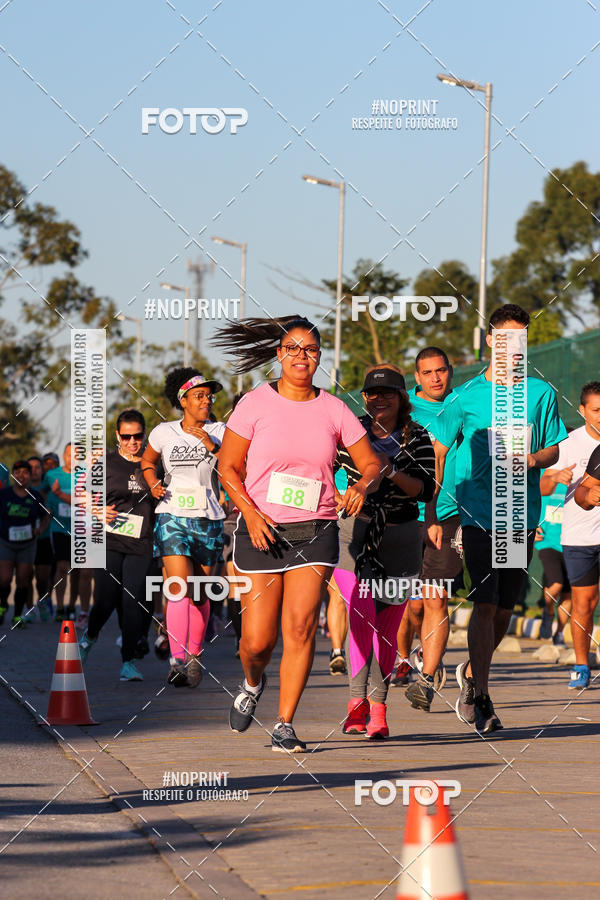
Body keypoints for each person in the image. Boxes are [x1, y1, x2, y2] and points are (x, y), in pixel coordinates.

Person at [213, 315, 381, 753]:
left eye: (309, 349)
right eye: (292, 349)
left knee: (302, 626)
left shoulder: (333, 408)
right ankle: (253, 683)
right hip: (260, 529)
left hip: (316, 528)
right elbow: (227, 467)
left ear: (320, 356)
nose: (301, 357)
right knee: (256, 640)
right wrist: (249, 514)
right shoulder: (254, 404)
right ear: (278, 355)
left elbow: (371, 463)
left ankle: (285, 724)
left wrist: (362, 485)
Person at [435, 304, 567, 732]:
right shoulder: (465, 397)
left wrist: (532, 458)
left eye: (521, 342)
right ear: (490, 341)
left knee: (506, 610)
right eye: (505, 340)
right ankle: (484, 701)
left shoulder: (540, 394)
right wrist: (434, 511)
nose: (513, 350)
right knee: (485, 601)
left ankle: (473, 675)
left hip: (519, 516)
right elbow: (438, 451)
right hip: (477, 515)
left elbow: (554, 448)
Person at [334, 364, 435, 738]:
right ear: (363, 398)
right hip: (353, 534)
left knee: (388, 627)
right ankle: (355, 706)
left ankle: (379, 708)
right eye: (372, 394)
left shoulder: (417, 437)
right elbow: (323, 473)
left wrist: (389, 471)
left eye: (388, 393)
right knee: (360, 615)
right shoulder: (349, 433)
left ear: (401, 398)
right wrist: (337, 494)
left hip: (402, 536)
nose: (379, 400)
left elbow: (423, 491)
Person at [141, 368, 226, 688]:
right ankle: (177, 659)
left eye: (209, 396)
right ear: (184, 400)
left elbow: (237, 465)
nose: (206, 401)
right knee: (177, 585)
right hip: (172, 514)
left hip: (209, 517)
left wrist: (214, 446)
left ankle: (194, 653)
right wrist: (152, 483)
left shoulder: (221, 428)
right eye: (200, 396)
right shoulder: (164, 432)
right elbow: (148, 462)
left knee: (200, 592)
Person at [393, 347, 462, 710]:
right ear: (416, 377)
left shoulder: (461, 408)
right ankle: (403, 655)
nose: (436, 378)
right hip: (403, 517)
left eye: (441, 371)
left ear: (450, 371)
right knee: (410, 604)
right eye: (427, 372)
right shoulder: (403, 412)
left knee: (436, 597)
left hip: (447, 516)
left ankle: (426, 679)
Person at [78, 409, 156, 681]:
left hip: (142, 541)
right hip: (109, 539)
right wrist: (97, 510)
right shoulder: (106, 464)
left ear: (144, 435)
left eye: (137, 436)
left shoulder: (152, 463)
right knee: (106, 600)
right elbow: (83, 496)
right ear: (117, 436)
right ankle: (89, 636)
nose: (132, 442)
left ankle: (128, 662)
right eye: (126, 437)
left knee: (132, 599)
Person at [543, 382, 600, 689]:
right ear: (582, 411)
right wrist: (553, 477)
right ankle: (581, 664)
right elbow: (540, 489)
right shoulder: (567, 443)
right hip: (578, 535)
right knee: (584, 603)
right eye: (596, 410)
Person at [0, 460, 49, 627]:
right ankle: (2, 605)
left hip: (27, 544)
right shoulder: (4, 494)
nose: (22, 475)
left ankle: (17, 616)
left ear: (29, 476)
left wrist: (40, 529)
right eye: (18, 472)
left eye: (25, 472)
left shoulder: (35, 496)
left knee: (23, 579)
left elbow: (46, 516)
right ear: (13, 474)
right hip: (6, 542)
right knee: (4, 578)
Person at [41, 444, 74, 622]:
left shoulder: (86, 475)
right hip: (59, 528)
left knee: (80, 572)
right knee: (62, 568)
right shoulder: (51, 475)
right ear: (64, 456)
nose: (72, 458)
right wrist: (47, 510)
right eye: (69, 455)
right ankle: (60, 607)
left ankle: (74, 607)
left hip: (81, 530)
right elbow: (41, 492)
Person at [536, 476, 570, 643]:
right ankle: (548, 611)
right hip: (547, 542)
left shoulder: (579, 479)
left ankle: (559, 634)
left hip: (572, 543)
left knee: (568, 595)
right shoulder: (546, 476)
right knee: (557, 583)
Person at [27, 455, 54, 621]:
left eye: (38, 467)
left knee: (42, 578)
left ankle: (43, 601)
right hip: (26, 539)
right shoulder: (22, 488)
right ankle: (29, 609)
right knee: (26, 575)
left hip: (45, 538)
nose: (35, 470)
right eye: (31, 468)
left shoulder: (49, 489)